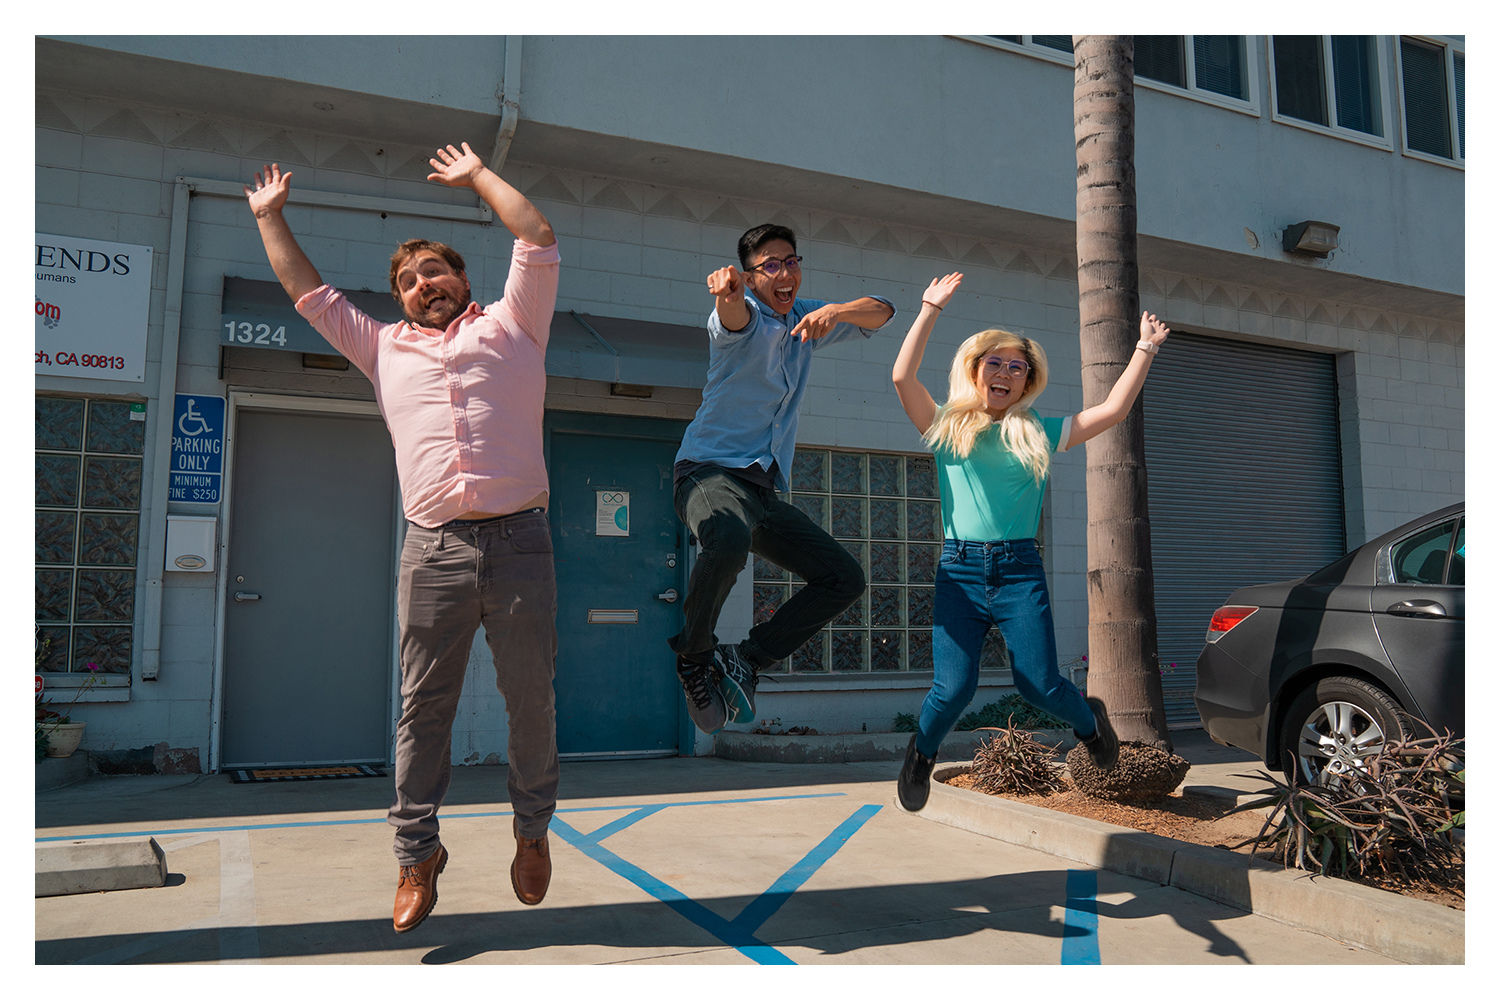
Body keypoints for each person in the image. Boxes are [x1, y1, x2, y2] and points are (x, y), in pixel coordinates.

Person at [244, 142, 561, 931]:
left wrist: (480, 177)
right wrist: (270, 217)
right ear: (400, 298)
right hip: (433, 550)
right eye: (409, 280)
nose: (423, 285)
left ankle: (531, 834)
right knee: (423, 710)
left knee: (531, 703)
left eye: (435, 272)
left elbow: (538, 236)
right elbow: (306, 292)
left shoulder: (517, 323)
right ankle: (417, 856)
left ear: (461, 277)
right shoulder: (381, 346)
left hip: (520, 543)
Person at [889, 272, 1171, 811]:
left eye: (1016, 367)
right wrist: (930, 307)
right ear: (975, 371)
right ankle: (921, 755)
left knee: (1038, 685)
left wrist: (1143, 348)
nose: (1004, 372)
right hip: (961, 572)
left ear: (1025, 382)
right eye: (993, 362)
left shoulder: (1036, 430)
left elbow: (1111, 412)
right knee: (953, 689)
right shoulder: (947, 426)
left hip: (1019, 570)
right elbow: (903, 377)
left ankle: (1091, 725)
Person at [670, 224, 897, 732]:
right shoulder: (742, 319)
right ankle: (694, 658)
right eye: (770, 266)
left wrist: (838, 311)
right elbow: (731, 315)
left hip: (761, 490)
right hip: (708, 473)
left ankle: (747, 661)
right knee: (726, 537)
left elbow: (882, 311)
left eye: (791, 261)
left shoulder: (806, 316)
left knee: (844, 578)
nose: (785, 273)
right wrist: (728, 294)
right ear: (752, 279)